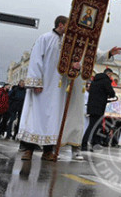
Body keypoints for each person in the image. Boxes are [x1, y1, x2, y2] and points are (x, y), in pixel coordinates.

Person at [16, 16, 82, 161]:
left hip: (57, 88)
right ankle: (28, 149)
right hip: (42, 85)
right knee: (35, 117)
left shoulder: (66, 44)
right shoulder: (44, 38)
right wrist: (37, 82)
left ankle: (47, 151)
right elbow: (36, 60)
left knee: (53, 119)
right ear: (60, 25)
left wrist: (75, 66)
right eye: (67, 25)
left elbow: (67, 64)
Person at [81, 67, 117, 151]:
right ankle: (84, 144)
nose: (110, 78)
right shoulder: (106, 81)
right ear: (108, 74)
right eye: (110, 75)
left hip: (92, 106)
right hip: (99, 107)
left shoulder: (95, 80)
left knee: (95, 126)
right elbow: (111, 92)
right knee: (93, 126)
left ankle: (94, 143)